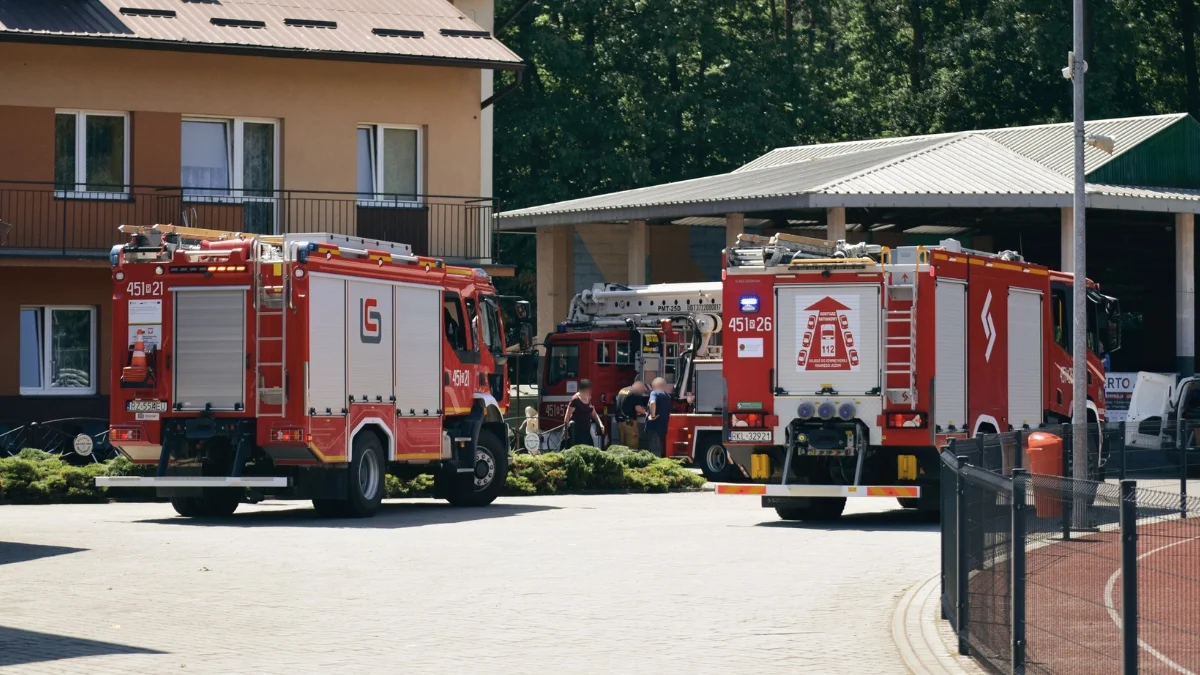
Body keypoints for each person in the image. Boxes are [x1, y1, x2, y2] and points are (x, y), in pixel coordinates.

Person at [564, 379, 605, 448]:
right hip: (576, 432)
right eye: (587, 390)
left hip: (587, 431)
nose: (589, 392)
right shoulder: (575, 400)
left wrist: (600, 424)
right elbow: (567, 416)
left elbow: (594, 414)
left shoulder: (589, 399)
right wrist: (565, 432)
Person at [614, 381, 649, 448]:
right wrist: (645, 412)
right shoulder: (635, 393)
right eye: (642, 391)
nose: (642, 393)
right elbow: (638, 409)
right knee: (632, 447)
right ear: (640, 388)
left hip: (620, 422)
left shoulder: (622, 390)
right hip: (630, 424)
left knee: (623, 447)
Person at [645, 377, 672, 457]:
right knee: (659, 448)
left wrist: (652, 416)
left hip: (654, 427)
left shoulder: (654, 393)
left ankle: (656, 467)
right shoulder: (667, 396)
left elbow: (652, 403)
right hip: (662, 427)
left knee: (654, 451)